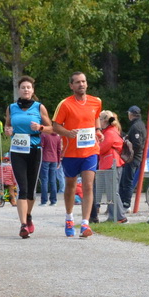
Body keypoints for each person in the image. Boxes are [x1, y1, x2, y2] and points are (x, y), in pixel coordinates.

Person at [51, 71, 103, 238]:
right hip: (71, 152)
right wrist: (68, 133)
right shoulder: (65, 104)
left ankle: (85, 224)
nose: (81, 84)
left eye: (83, 81)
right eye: (78, 82)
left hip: (90, 151)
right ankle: (69, 217)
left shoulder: (96, 102)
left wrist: (98, 130)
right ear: (71, 86)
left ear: (87, 84)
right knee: (71, 186)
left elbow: (95, 118)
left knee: (88, 185)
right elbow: (55, 126)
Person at [5, 76, 52, 238]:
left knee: (31, 190)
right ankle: (23, 224)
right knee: (22, 188)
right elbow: (8, 125)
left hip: (34, 150)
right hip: (17, 150)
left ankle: (28, 215)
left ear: (33, 91)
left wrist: (40, 127)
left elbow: (52, 128)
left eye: (29, 87)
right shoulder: (11, 108)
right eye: (23, 87)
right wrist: (8, 130)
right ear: (19, 90)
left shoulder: (39, 108)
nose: (26, 90)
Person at [92, 111, 127, 224]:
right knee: (111, 192)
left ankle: (120, 216)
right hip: (111, 164)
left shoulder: (110, 133)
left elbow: (101, 149)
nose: (98, 123)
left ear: (105, 121)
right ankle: (114, 217)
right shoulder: (110, 131)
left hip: (111, 164)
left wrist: (95, 143)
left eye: (100, 120)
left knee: (112, 192)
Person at [120, 105, 146, 209]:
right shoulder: (139, 125)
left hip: (133, 158)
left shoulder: (136, 127)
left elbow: (137, 144)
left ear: (131, 114)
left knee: (127, 182)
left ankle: (126, 204)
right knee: (125, 181)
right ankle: (124, 203)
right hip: (135, 157)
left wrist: (126, 141)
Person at [38, 125, 63, 206]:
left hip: (45, 159)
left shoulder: (44, 135)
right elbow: (59, 150)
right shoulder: (58, 137)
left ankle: (44, 201)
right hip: (55, 159)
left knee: (44, 180)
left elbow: (41, 146)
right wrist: (59, 161)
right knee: (53, 181)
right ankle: (53, 200)